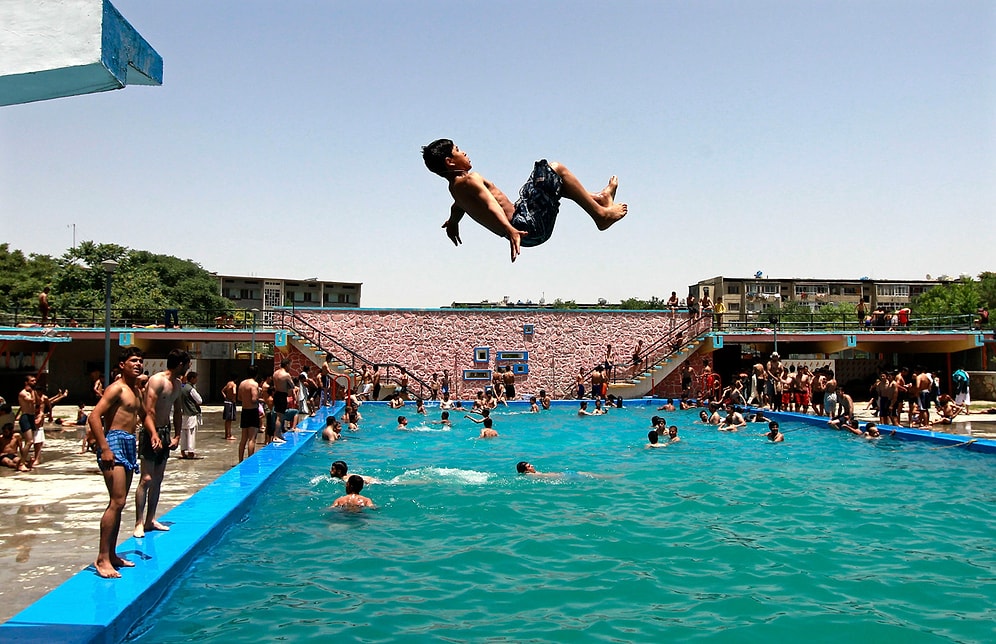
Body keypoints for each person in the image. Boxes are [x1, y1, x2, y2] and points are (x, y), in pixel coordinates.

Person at [423, 139, 627, 262]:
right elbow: (491, 205)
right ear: (450, 162)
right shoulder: (471, 179)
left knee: (547, 180)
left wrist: (453, 223)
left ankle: (599, 198)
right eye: (458, 150)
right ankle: (600, 215)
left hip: (525, 230)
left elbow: (458, 207)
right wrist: (509, 229)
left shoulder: (455, 189)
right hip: (525, 226)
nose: (464, 152)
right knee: (555, 169)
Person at [88, 347, 145, 578]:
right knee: (117, 501)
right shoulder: (116, 388)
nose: (138, 364)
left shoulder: (136, 390)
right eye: (133, 360)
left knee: (120, 503)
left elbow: (144, 415)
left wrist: (153, 433)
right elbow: (94, 416)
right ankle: (102, 558)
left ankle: (111, 554)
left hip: (129, 442)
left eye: (140, 361)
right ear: (122, 365)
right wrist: (104, 448)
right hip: (114, 442)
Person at [135, 349, 189, 538]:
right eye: (187, 364)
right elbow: (148, 411)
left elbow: (178, 411)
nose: (188, 367)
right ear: (181, 364)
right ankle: (139, 522)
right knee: (146, 479)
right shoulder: (157, 381)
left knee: (158, 478)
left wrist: (177, 436)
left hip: (165, 432)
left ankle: (150, 519)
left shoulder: (178, 384)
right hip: (151, 431)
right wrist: (152, 434)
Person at [16, 374, 39, 471]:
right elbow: (32, 401)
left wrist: (34, 391)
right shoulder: (23, 393)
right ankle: (21, 463)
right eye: (32, 381)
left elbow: (38, 401)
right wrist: (33, 392)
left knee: (28, 442)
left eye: (35, 380)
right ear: (26, 382)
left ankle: (24, 461)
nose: (35, 382)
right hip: (25, 417)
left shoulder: (32, 392)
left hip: (31, 417)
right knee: (30, 441)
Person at [178, 371, 202, 459]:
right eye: (196, 378)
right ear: (192, 378)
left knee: (183, 432)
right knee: (191, 432)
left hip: (182, 413)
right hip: (190, 413)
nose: (197, 380)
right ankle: (191, 452)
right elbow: (199, 400)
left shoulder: (181, 387)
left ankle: (183, 451)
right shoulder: (190, 389)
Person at [272, 359, 294, 440]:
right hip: (282, 396)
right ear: (287, 365)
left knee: (278, 415)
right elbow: (292, 385)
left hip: (276, 395)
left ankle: (279, 434)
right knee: (280, 417)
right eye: (290, 365)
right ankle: (276, 435)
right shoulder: (286, 375)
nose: (290, 367)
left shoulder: (275, 373)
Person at [221, 375, 237, 441]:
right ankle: (229, 435)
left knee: (227, 420)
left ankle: (226, 434)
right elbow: (234, 392)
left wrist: (225, 396)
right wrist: (234, 399)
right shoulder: (234, 384)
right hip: (231, 402)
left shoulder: (228, 384)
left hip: (226, 401)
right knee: (229, 420)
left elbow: (222, 390)